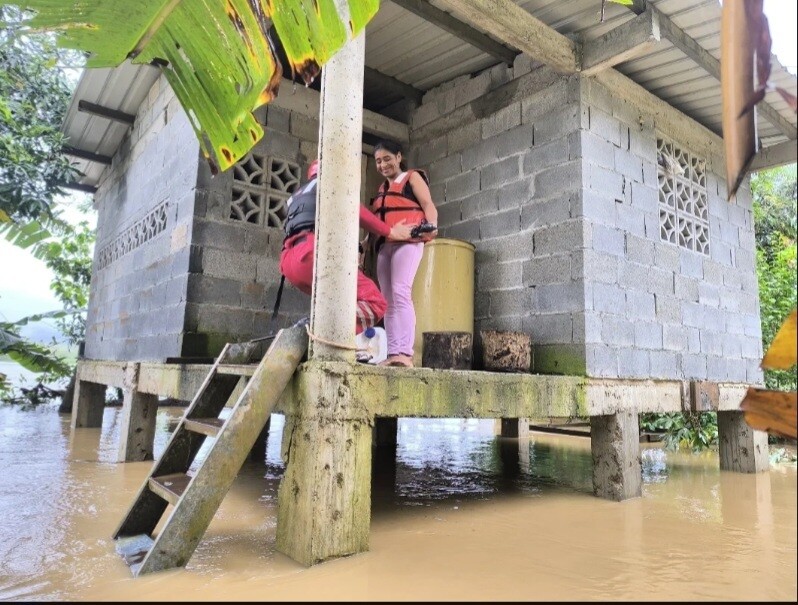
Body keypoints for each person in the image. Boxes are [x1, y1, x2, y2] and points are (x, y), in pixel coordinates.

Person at [279, 159, 412, 336]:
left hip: (290, 262)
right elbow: (355, 209)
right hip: (314, 256)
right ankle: (323, 331)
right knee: (376, 303)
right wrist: (391, 232)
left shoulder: (299, 194)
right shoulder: (330, 183)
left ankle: (316, 332)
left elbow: (316, 225)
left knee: (336, 301)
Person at [370, 140, 438, 368]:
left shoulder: (412, 178)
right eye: (378, 161)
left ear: (399, 157)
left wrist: (431, 226)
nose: (383, 165)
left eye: (387, 158)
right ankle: (393, 353)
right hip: (385, 245)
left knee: (400, 292)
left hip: (408, 241)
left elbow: (428, 204)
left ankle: (405, 354)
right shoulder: (382, 189)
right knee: (386, 300)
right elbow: (377, 220)